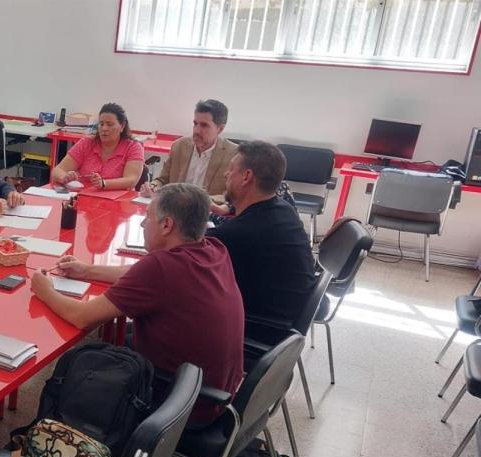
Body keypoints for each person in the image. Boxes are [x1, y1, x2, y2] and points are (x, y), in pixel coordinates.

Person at [29, 184, 244, 425]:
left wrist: (45, 291)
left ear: (167, 225)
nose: (143, 224)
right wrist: (87, 270)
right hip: (215, 393)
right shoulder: (214, 248)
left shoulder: (162, 267)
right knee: (119, 337)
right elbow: (139, 273)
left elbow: (83, 317)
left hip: (180, 406)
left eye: (147, 217)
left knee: (82, 357)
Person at [206, 140, 316, 341]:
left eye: (231, 170)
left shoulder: (236, 234)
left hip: (258, 329)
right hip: (285, 324)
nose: (226, 174)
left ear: (247, 177)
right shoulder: (284, 210)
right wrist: (228, 208)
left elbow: (181, 253)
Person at [140, 99, 237, 212]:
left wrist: (197, 200)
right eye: (195, 123)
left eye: (204, 125)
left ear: (220, 129)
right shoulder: (179, 145)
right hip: (173, 211)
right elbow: (163, 180)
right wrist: (153, 186)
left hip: (207, 213)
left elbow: (233, 195)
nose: (197, 130)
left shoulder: (233, 154)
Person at [51, 102, 144, 191]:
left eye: (110, 124)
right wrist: (65, 177)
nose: (104, 128)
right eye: (101, 124)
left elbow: (131, 180)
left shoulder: (133, 147)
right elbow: (57, 171)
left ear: (122, 126)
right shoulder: (86, 143)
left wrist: (104, 183)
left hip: (118, 202)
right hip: (84, 197)